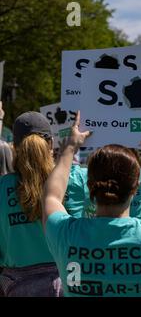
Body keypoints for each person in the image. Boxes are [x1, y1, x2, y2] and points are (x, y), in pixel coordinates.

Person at [42, 112, 141, 297]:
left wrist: (70, 147)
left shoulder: (66, 234)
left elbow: (51, 196)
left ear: (90, 185)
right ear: (136, 187)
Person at [0, 111, 87, 296]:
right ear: (51, 144)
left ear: (14, 146)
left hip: (19, 285)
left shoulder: (2, 187)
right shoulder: (76, 178)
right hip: (71, 277)